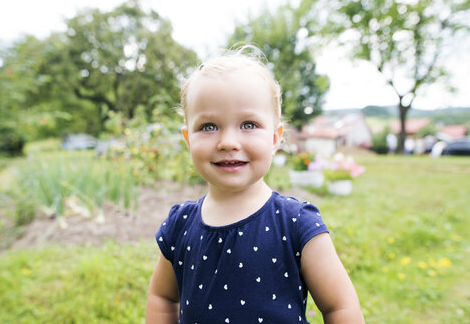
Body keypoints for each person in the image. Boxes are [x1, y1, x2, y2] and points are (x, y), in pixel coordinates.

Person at [146, 47, 364, 324]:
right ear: (188, 139)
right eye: (209, 126)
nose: (228, 142)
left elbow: (340, 307)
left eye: (248, 124)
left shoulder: (296, 223)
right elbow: (162, 297)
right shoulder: (180, 225)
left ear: (275, 138)